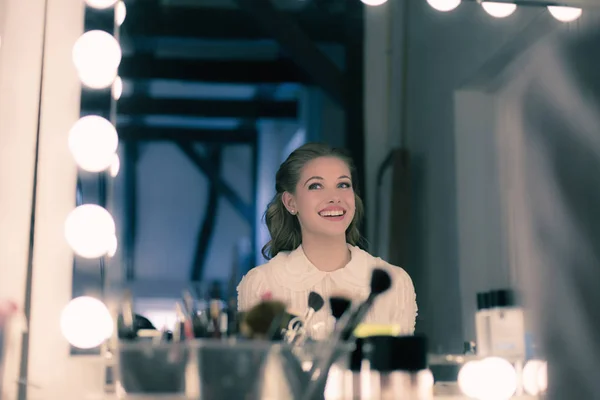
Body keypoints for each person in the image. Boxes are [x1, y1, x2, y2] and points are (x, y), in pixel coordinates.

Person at [237, 142, 417, 339]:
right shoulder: (261, 283)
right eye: (316, 186)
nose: (334, 197)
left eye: (343, 185)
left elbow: (400, 368)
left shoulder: (396, 283)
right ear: (291, 202)